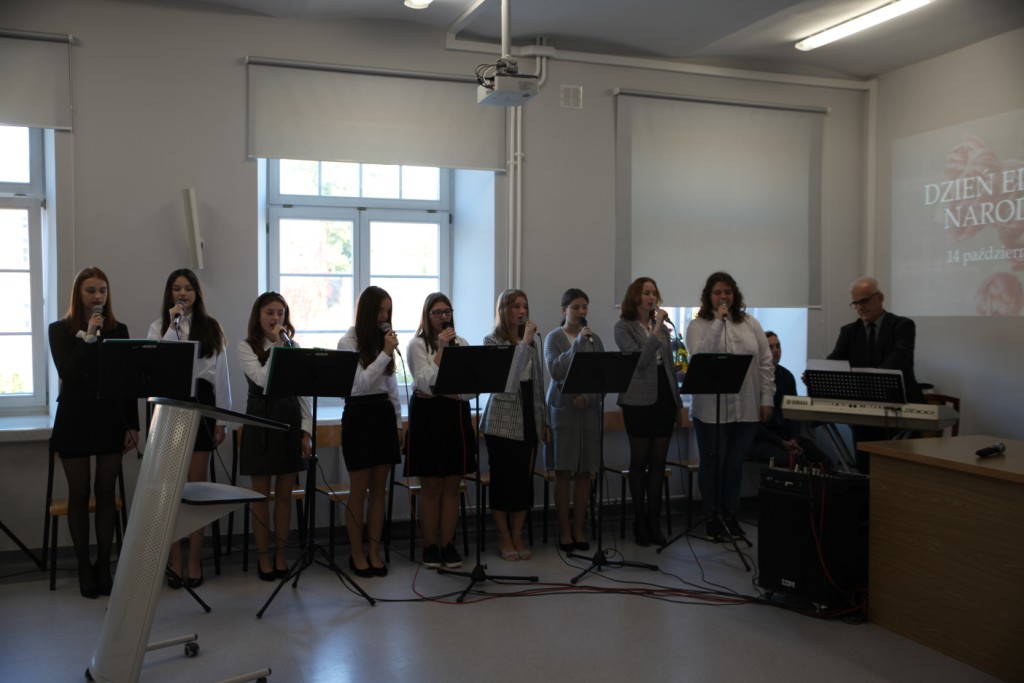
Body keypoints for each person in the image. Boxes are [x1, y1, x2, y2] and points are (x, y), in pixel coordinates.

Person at [48, 267, 140, 598]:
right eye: (90, 290)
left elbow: (127, 379)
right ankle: (84, 566)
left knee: (105, 491)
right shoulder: (59, 330)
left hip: (109, 417)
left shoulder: (118, 329)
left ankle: (104, 564)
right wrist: (87, 336)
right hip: (74, 418)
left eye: (102, 290)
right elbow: (68, 373)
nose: (97, 296)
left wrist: (133, 424)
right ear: (78, 294)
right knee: (79, 492)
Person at [148, 268, 231, 588]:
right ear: (169, 294)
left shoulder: (211, 327)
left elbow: (221, 376)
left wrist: (221, 419)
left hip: (203, 405)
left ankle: (195, 559)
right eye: (176, 288)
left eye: (188, 288)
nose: (182, 293)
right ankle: (174, 559)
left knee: (197, 488)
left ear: (197, 293)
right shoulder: (159, 326)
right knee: (170, 490)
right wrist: (173, 325)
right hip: (171, 406)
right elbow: (158, 364)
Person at [685, 272, 774, 542]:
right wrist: (718, 322)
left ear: (734, 295)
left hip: (746, 406)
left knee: (735, 464)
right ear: (708, 296)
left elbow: (765, 362)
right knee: (713, 463)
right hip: (710, 410)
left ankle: (731, 515)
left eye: (727, 292)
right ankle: (712, 516)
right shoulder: (697, 325)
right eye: (717, 292)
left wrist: (766, 399)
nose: (723, 297)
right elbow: (700, 357)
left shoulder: (750, 323)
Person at [237, 292, 312, 581]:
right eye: (270, 312)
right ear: (258, 316)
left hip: (288, 419)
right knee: (260, 496)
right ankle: (263, 556)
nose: (276, 318)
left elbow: (302, 392)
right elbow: (261, 380)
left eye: (280, 313)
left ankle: (281, 555)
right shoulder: (247, 346)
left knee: (284, 496)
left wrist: (306, 431)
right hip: (260, 420)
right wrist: (278, 349)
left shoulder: (293, 347)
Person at [404, 293, 477, 569]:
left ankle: (447, 544)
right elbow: (424, 383)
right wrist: (442, 350)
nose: (444, 316)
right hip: (428, 421)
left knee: (452, 486)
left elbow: (471, 390)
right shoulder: (417, 345)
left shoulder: (463, 344)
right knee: (432, 487)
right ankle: (430, 546)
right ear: (427, 315)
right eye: (437, 312)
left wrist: (443, 393)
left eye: (447, 311)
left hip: (455, 418)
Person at [337, 286, 403, 578]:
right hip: (359, 415)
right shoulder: (347, 342)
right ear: (366, 311)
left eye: (388, 311)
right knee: (358, 490)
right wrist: (385, 353)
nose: (384, 317)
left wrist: (398, 422)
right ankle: (356, 554)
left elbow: (391, 387)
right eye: (379, 310)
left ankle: (374, 552)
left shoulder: (382, 342)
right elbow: (360, 385)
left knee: (379, 491)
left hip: (383, 415)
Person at [480, 288, 550, 561]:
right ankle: (503, 536)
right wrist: (525, 343)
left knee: (523, 482)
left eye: (524, 306)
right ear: (504, 310)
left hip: (529, 416)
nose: (522, 311)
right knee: (503, 481)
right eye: (515, 306)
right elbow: (506, 382)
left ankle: (518, 535)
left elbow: (538, 384)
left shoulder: (531, 342)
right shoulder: (492, 340)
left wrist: (543, 421)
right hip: (503, 419)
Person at [826, 276, 923, 472]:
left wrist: (874, 377)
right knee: (866, 467)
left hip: (900, 406)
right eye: (855, 303)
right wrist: (817, 372)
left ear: (880, 298)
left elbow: (899, 357)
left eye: (864, 301)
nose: (860, 307)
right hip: (865, 410)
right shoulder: (849, 331)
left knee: (900, 470)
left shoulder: (902, 325)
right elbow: (836, 358)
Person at [613, 277, 682, 546]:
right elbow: (640, 362)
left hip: (664, 396)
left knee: (658, 462)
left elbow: (669, 367)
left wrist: (677, 403)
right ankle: (639, 521)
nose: (651, 297)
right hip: (637, 401)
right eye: (646, 293)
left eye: (654, 293)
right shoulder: (623, 327)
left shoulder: (661, 326)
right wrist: (655, 331)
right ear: (635, 297)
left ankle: (654, 520)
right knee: (639, 461)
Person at [544, 288, 604, 552]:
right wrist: (577, 344)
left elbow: (603, 376)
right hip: (563, 411)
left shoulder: (595, 340)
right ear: (564, 310)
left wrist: (588, 398)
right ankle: (565, 530)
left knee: (584, 473)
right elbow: (556, 371)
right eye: (575, 307)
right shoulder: (553, 338)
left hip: (587, 413)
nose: (581, 312)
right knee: (564, 471)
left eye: (584, 307)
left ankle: (580, 528)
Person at [748, 332, 830, 470]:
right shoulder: (752, 379)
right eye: (770, 347)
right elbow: (752, 425)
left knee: (824, 461)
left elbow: (793, 415)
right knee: (792, 462)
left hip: (785, 437)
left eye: (778, 346)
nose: (776, 350)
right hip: (762, 439)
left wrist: (794, 439)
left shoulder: (787, 376)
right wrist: (781, 442)